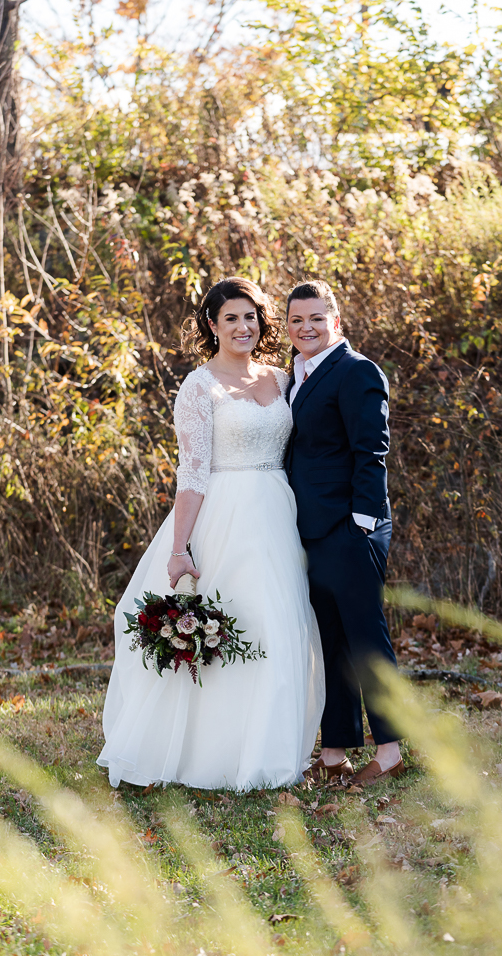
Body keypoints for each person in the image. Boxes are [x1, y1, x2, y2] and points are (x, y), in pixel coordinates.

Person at [97, 276, 324, 791]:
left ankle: (268, 753)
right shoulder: (199, 387)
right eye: (231, 318)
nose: (243, 327)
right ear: (212, 325)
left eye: (250, 317)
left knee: (278, 626)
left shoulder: (283, 378)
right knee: (233, 623)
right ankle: (211, 755)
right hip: (226, 516)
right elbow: (193, 473)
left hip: (279, 514)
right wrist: (179, 549)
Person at [284, 280, 404, 786]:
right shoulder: (294, 375)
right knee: (330, 641)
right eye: (296, 320)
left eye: (316, 318)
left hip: (351, 527)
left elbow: (372, 450)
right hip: (310, 529)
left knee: (365, 637)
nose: (306, 328)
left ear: (335, 321)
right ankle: (334, 753)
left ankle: (391, 751)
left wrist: (362, 523)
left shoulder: (357, 370)